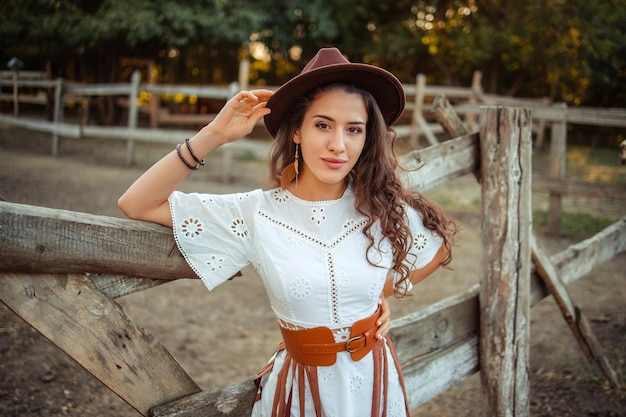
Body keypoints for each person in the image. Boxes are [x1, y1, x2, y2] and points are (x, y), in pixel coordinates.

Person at [118, 47, 457, 416]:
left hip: (375, 384)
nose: (338, 145)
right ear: (296, 131)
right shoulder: (255, 213)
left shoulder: (379, 206)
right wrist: (213, 134)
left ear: (366, 138)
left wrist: (376, 292)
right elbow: (137, 203)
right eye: (323, 125)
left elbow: (437, 247)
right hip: (303, 395)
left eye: (354, 129)